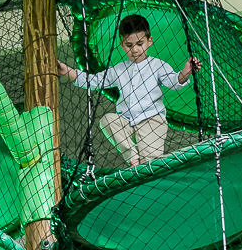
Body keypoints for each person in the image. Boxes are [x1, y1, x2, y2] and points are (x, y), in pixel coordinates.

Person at [58, 14, 201, 167]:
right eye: (129, 45)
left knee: (150, 164)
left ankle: (145, 170)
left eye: (140, 43)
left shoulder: (157, 65)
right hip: (126, 121)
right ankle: (133, 157)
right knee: (107, 120)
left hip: (152, 120)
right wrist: (67, 71)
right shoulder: (118, 69)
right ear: (121, 44)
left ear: (149, 41)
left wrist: (186, 72)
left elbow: (174, 82)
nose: (135, 50)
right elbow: (95, 80)